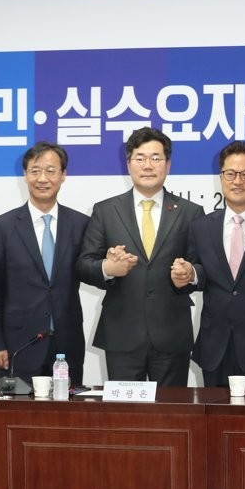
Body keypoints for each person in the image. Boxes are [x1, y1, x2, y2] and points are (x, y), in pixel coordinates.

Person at [76, 127, 203, 386]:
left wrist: (190, 274)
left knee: (171, 408)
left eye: (156, 158)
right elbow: (83, 265)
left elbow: (204, 267)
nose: (148, 165)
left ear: (168, 164)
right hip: (122, 333)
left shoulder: (190, 212)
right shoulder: (105, 210)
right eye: (140, 158)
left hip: (171, 333)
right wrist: (108, 268)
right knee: (124, 409)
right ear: (128, 164)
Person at [170, 141, 245, 388]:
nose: (237, 181)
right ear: (221, 177)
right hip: (215, 346)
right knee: (214, 412)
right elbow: (197, 270)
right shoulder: (201, 226)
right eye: (230, 174)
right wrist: (188, 274)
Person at [0, 142, 90, 384]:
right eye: (35, 171)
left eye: (51, 171)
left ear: (63, 175)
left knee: (67, 407)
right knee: (20, 407)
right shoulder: (1, 227)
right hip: (18, 345)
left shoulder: (82, 224)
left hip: (68, 343)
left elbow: (91, 270)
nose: (42, 178)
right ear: (25, 175)